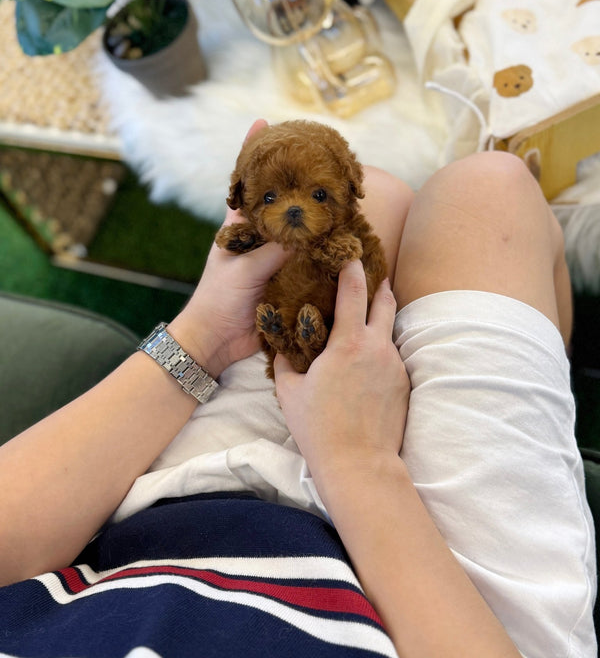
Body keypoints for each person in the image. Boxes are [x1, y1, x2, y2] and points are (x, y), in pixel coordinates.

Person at [0, 119, 595, 658]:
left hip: (167, 524)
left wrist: (205, 335)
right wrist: (356, 461)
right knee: (494, 190)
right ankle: (561, 376)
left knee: (381, 193)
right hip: (453, 609)